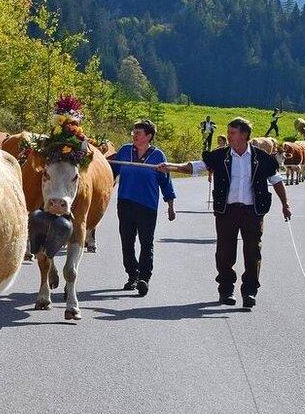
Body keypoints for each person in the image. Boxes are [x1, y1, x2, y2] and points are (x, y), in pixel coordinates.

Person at [160, 117, 291, 309]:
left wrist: (285, 204)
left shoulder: (261, 158)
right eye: (229, 132)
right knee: (224, 252)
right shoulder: (220, 156)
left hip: (252, 212)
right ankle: (226, 289)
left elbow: (276, 180)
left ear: (244, 135)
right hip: (227, 211)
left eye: (232, 133)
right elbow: (196, 167)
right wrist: (171, 166)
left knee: (253, 252)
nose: (228, 136)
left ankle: (249, 292)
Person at [108, 120, 175, 296]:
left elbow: (166, 182)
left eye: (138, 133)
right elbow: (110, 172)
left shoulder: (158, 156)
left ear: (148, 136)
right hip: (125, 203)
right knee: (127, 241)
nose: (134, 135)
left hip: (147, 206)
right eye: (134, 132)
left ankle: (144, 278)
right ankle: (133, 274)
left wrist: (170, 205)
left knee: (146, 242)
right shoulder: (125, 151)